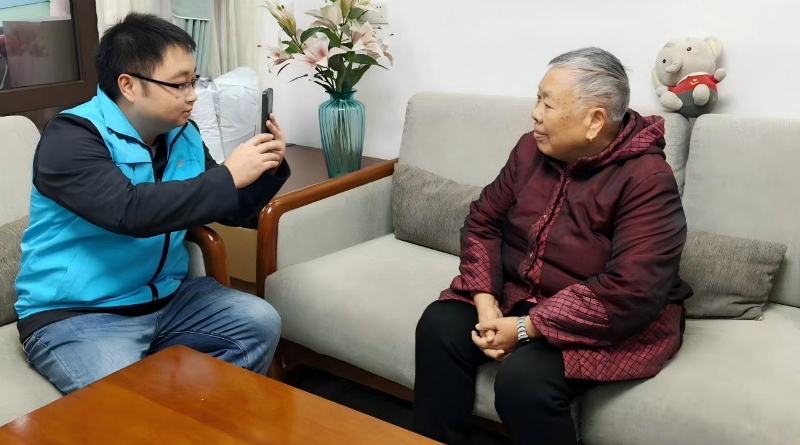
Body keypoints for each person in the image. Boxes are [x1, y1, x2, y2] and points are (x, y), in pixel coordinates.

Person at [413, 47, 693, 445]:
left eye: (547, 103)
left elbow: (633, 289)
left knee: (524, 380)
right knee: (439, 325)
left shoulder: (647, 178)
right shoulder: (530, 149)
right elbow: (483, 220)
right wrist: (485, 302)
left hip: (606, 317)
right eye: (538, 99)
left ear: (595, 120)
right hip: (518, 294)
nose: (535, 113)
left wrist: (524, 329)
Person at [14, 13, 290, 394]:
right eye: (179, 84)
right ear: (128, 85)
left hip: (168, 299)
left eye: (193, 80)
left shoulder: (183, 134)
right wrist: (229, 174)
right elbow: (130, 211)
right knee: (129, 404)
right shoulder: (71, 136)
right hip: (79, 313)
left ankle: (195, 416)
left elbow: (226, 206)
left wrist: (265, 169)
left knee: (259, 321)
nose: (192, 95)